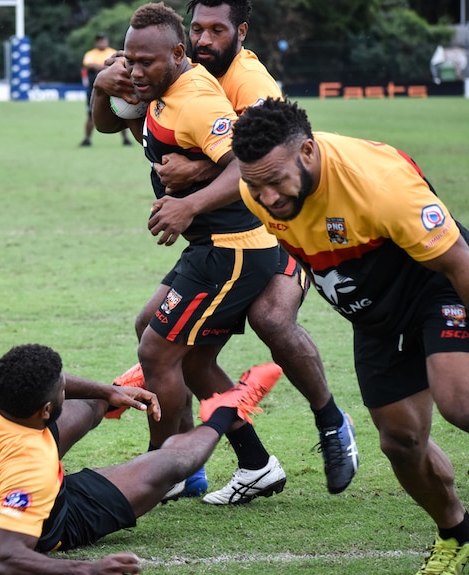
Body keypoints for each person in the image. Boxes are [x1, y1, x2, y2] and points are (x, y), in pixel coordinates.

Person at [231, 96, 469, 575]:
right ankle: (458, 532)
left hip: (434, 285)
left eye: (274, 182)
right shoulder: (260, 189)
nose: (265, 198)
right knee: (401, 442)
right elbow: (305, 249)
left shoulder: (380, 185)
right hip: (374, 314)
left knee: (466, 406)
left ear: (307, 151)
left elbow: (461, 265)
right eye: (253, 184)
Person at [91, 1, 358, 504]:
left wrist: (192, 192)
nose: (206, 38)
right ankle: (235, 464)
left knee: (261, 326)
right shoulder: (159, 76)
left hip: (278, 226)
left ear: (241, 31)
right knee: (166, 342)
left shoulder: (242, 86)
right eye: (199, 28)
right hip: (221, 238)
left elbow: (260, 163)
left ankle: (329, 422)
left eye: (218, 29)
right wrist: (103, 88)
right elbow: (121, 121)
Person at [0, 343, 282, 574]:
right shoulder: (30, 466)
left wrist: (106, 391)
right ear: (45, 411)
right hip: (14, 528)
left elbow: (55, 387)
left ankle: (115, 393)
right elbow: (5, 557)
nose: (64, 387)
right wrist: (89, 569)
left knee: (91, 401)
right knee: (168, 465)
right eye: (58, 392)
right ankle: (226, 410)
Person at [80, 32, 132, 148]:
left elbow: (96, 66)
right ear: (96, 42)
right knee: (91, 113)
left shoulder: (112, 52)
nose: (101, 42)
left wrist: (99, 67)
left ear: (106, 41)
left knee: (122, 111)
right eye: (99, 40)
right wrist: (107, 68)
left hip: (114, 87)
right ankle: (87, 139)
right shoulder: (90, 54)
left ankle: (126, 139)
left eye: (103, 40)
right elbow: (89, 65)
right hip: (94, 88)